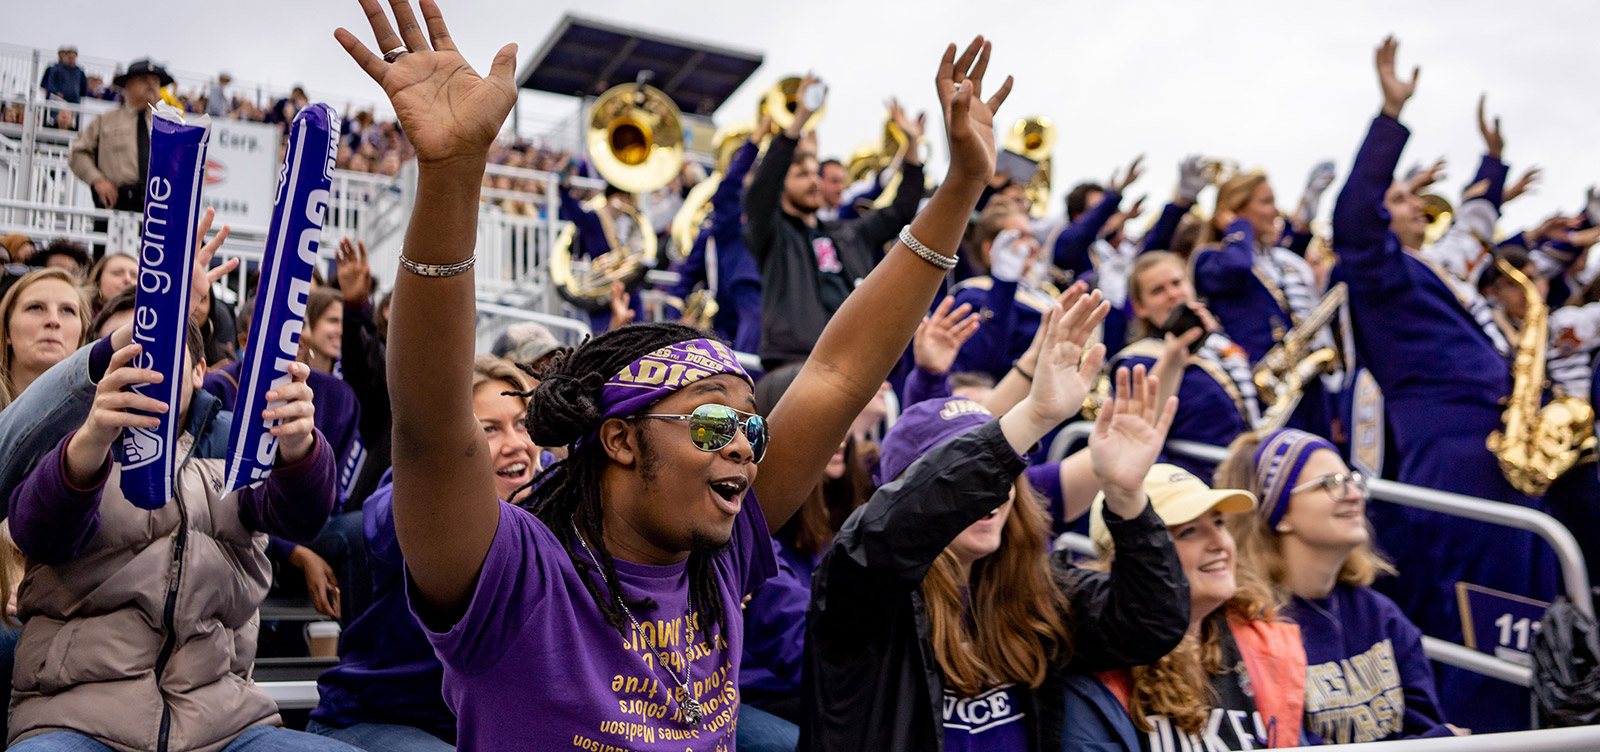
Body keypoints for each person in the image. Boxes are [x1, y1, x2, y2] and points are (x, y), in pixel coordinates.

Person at [333, 2, 1013, 748]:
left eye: (750, 427)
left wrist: (960, 189)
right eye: (715, 423)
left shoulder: (719, 554)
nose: (747, 448)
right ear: (622, 440)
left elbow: (839, 372)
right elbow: (432, 426)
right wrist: (455, 174)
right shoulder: (514, 577)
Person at [805, 296, 1189, 751]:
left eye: (1003, 477)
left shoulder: (1037, 593)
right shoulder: (861, 592)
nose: (990, 495)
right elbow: (893, 530)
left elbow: (1150, 624)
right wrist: (1033, 417)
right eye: (974, 480)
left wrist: (1127, 499)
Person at [1330, 36, 1556, 732]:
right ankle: (1475, 733)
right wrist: (1389, 117)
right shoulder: (1380, 271)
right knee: (1481, 607)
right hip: (1454, 452)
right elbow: (1352, 221)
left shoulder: (1439, 267)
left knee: (1536, 597)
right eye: (1399, 198)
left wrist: (1493, 160)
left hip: (1511, 446)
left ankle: (1540, 718)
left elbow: (1477, 225)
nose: (1413, 205)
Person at [5, 319, 352, 752]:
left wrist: (300, 446)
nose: (143, 367)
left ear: (198, 371)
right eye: (129, 354)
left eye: (161, 350)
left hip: (222, 722)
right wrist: (90, 442)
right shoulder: (68, 441)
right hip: (77, 717)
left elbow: (300, 519)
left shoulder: (236, 444)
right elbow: (39, 534)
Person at [309, 355, 547, 751]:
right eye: (489, 430)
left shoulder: (553, 496)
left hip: (484, 727)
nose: (516, 443)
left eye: (521, 424)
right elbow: (391, 513)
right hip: (377, 721)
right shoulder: (411, 501)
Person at [1215, 428, 1456, 742]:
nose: (1355, 495)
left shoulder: (1378, 613)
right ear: (1279, 512)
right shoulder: (1253, 627)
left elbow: (1427, 724)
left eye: (1352, 480)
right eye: (1329, 484)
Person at [1063, 466, 1305, 751]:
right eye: (1189, 531)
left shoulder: (1267, 647)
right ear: (1135, 562)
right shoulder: (1093, 672)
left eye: (1218, 523)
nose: (1219, 543)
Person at [742, 73, 928, 368]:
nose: (815, 182)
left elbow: (902, 211)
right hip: (795, 364)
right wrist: (802, 116)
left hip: (855, 363)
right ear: (781, 186)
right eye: (802, 175)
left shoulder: (849, 233)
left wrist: (913, 146)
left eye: (816, 174)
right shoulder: (773, 234)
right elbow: (762, 189)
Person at [1114, 252, 1259, 477]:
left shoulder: (1219, 341)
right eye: (1157, 291)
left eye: (1177, 283)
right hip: (1198, 479)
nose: (1172, 294)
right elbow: (1138, 428)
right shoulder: (1137, 360)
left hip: (1246, 469)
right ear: (1140, 307)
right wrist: (1173, 357)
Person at [950, 201, 1058, 381]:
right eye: (1020, 236)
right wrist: (1004, 284)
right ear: (990, 248)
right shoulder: (973, 294)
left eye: (1031, 236)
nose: (1032, 245)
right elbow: (978, 366)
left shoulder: (1042, 294)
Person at [69, 58, 172, 212]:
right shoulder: (105, 121)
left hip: (159, 208)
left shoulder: (170, 127)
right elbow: (78, 153)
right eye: (144, 80)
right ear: (128, 85)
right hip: (117, 205)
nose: (151, 85)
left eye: (156, 81)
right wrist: (97, 180)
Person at [0, 267, 90, 410]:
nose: (53, 320)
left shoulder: (101, 419)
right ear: (7, 330)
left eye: (67, 310)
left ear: (81, 335)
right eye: (36, 308)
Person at [300, 288, 344, 375]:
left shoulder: (348, 381)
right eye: (333, 320)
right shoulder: (290, 374)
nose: (340, 330)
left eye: (345, 323)